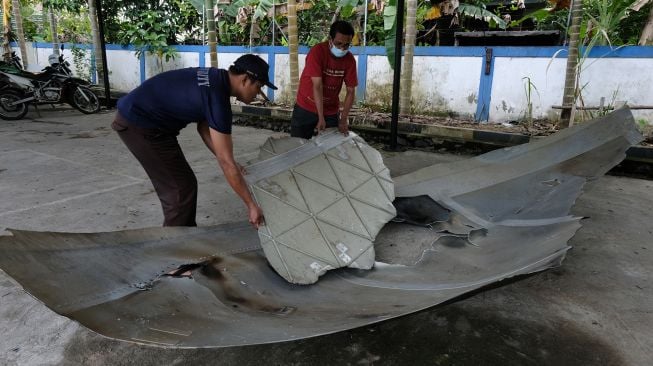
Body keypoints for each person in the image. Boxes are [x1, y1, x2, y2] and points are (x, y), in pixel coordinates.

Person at [112, 54, 277, 228]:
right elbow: (225, 162)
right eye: (258, 87)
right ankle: (176, 246)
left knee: (184, 186)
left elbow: (203, 128)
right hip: (140, 124)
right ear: (245, 79)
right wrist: (251, 205)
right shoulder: (217, 101)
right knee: (180, 190)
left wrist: (230, 161)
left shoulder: (215, 78)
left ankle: (185, 236)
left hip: (144, 119)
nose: (258, 94)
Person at [290, 20, 358, 139]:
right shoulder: (317, 52)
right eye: (338, 43)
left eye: (346, 45)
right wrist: (320, 117)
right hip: (306, 106)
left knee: (330, 149)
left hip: (330, 110)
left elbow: (351, 91)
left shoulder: (350, 60)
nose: (342, 48)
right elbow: (317, 85)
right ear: (330, 39)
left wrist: (343, 120)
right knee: (298, 146)